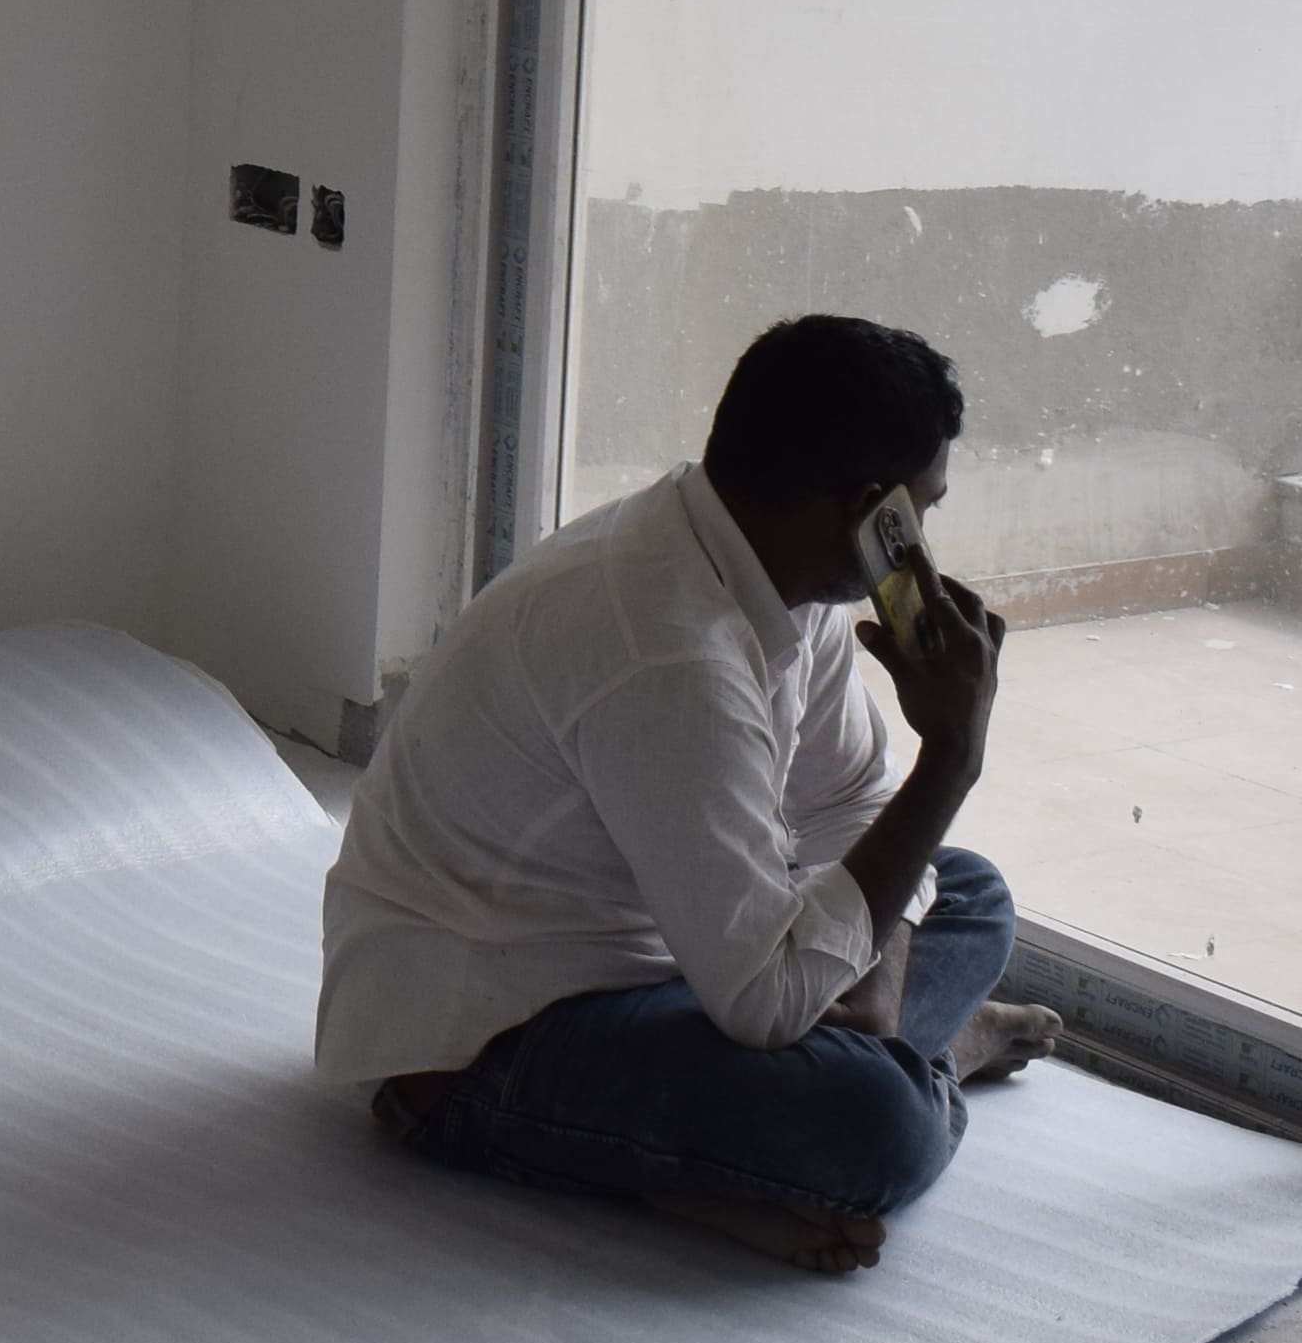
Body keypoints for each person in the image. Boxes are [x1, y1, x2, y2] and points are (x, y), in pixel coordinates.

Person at [317, 312, 1053, 1274]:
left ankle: (816, 1107)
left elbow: (849, 799)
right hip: (489, 1034)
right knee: (882, 1125)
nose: (919, 550)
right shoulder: (666, 653)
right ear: (867, 509)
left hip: (679, 954)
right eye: (918, 515)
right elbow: (766, 1005)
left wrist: (873, 997)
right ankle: (934, 1059)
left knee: (971, 892)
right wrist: (951, 760)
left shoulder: (765, 566)